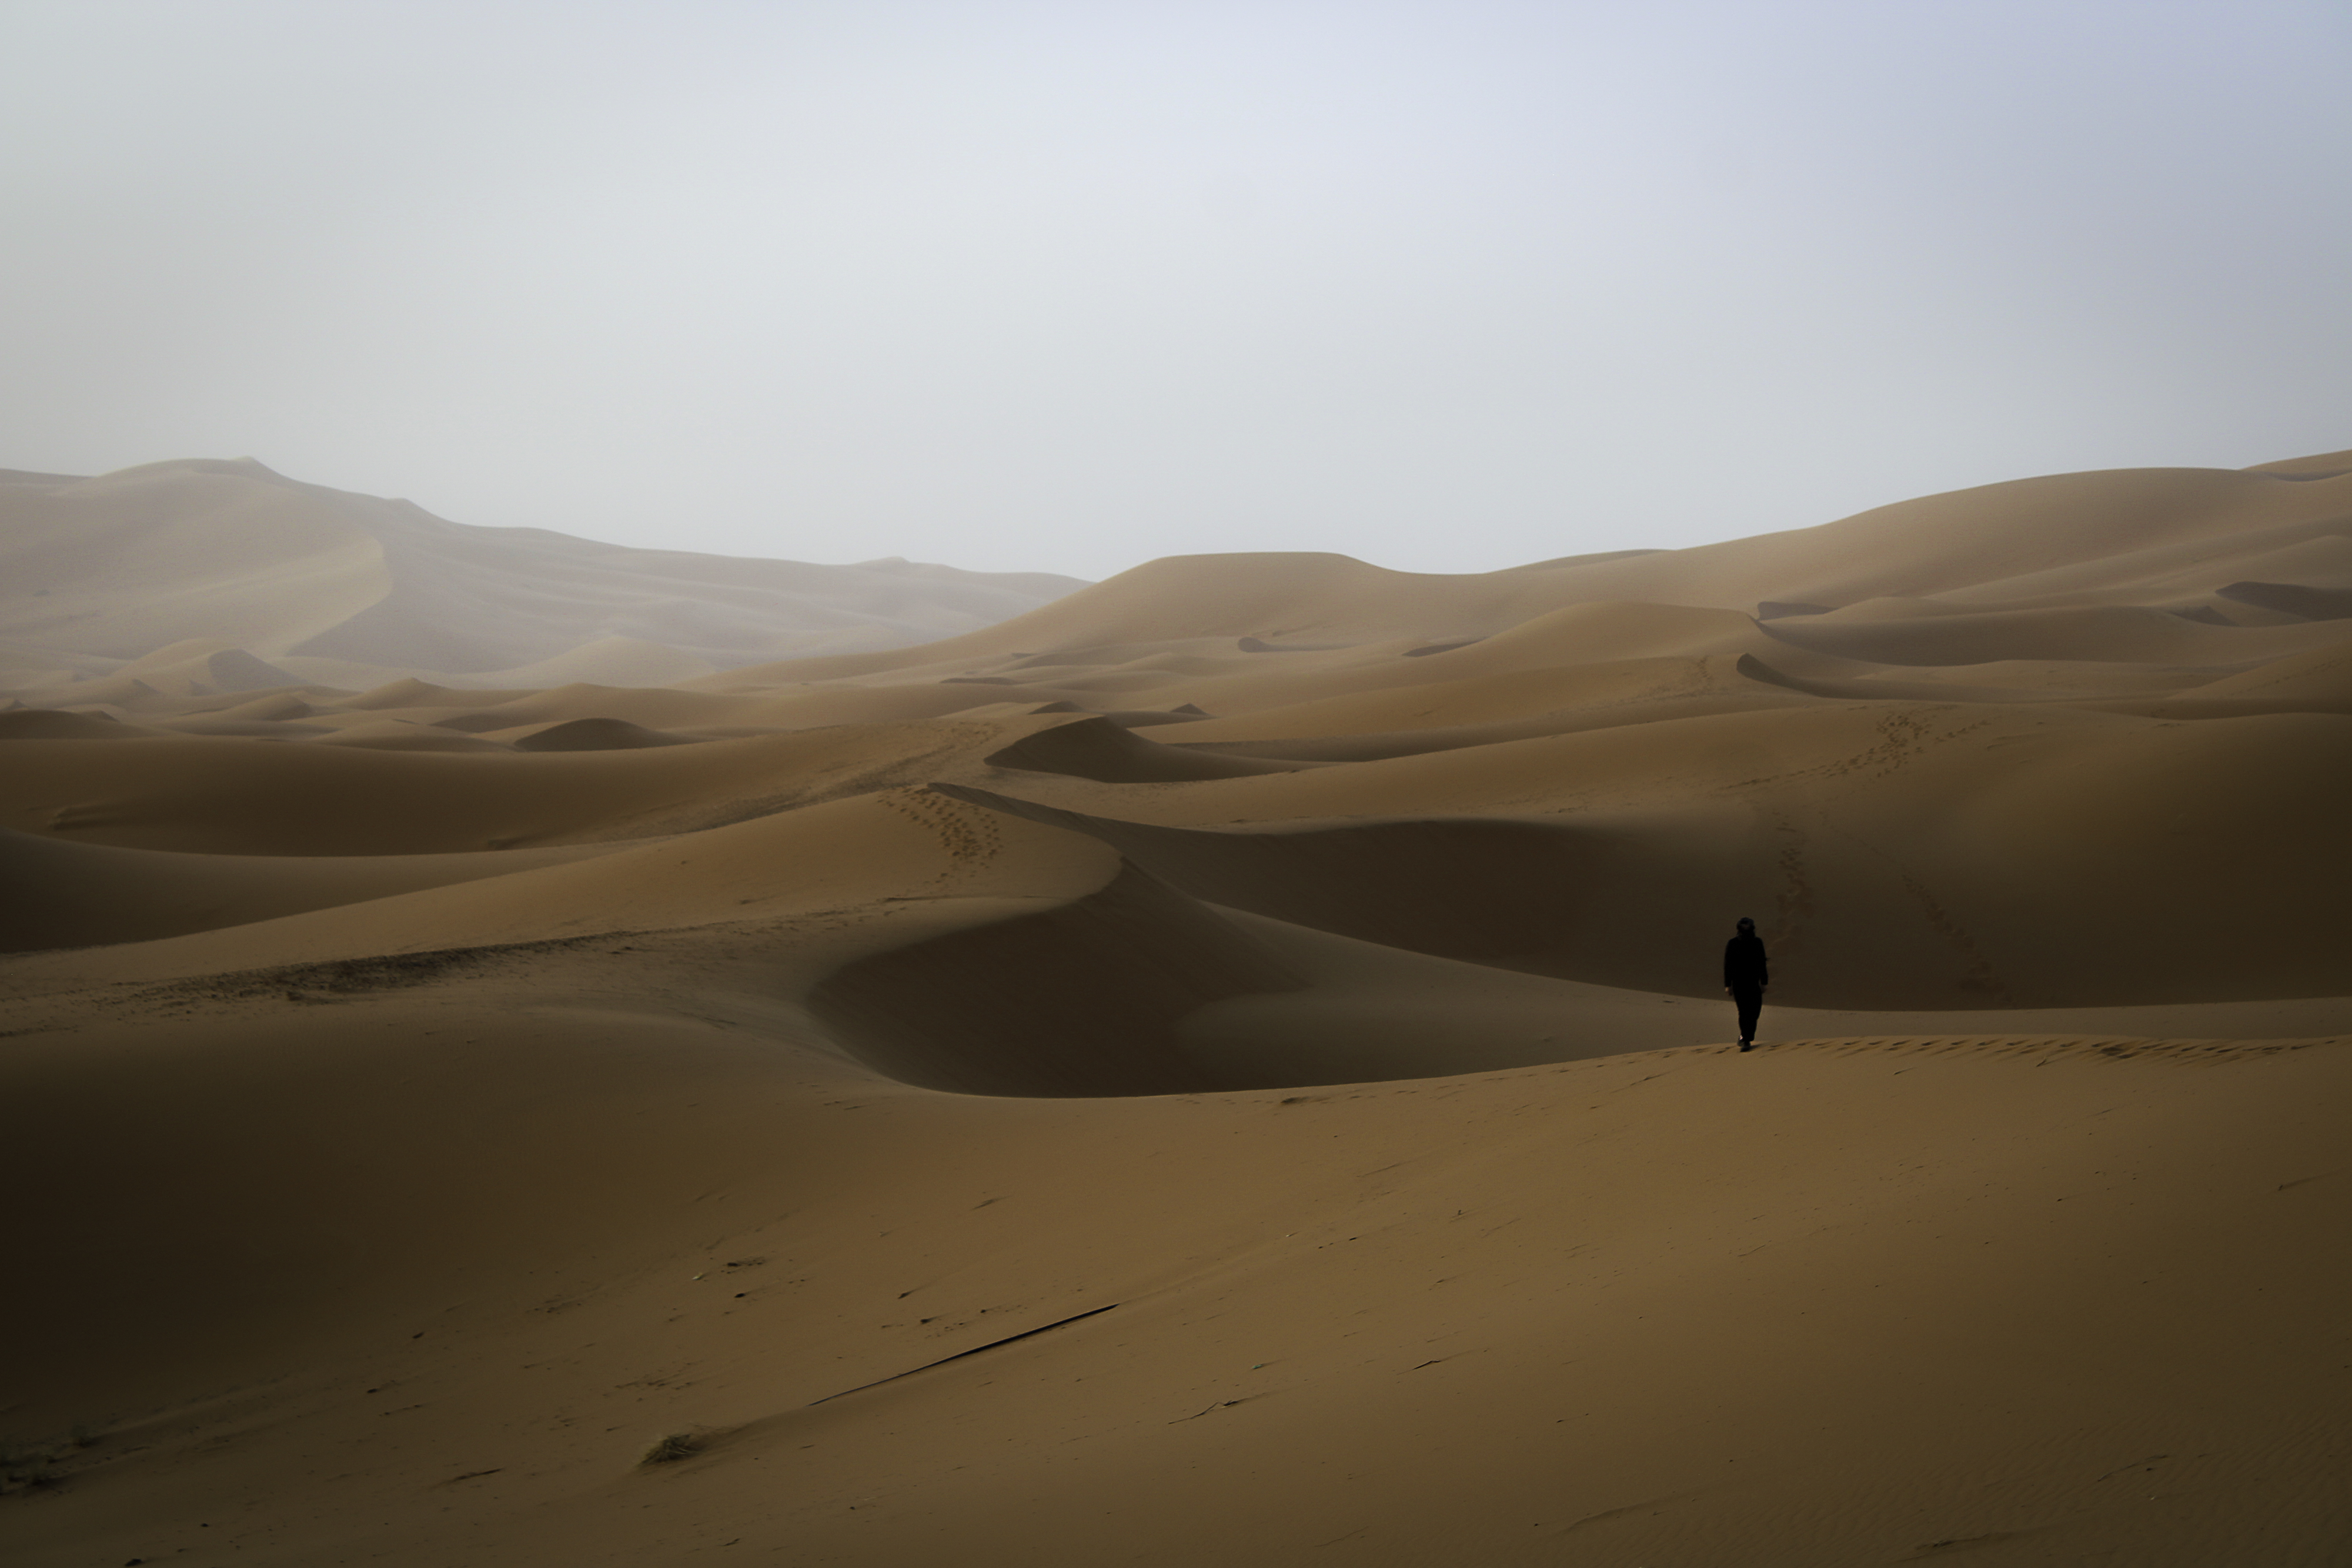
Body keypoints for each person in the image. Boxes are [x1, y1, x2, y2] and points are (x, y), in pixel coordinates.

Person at [1723, 917, 1769, 1051]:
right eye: (1743, 927)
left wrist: (1764, 982)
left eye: (1747, 926)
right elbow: (1728, 965)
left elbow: (1762, 962)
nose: (1745, 929)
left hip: (1754, 982)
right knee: (1744, 1012)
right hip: (1739, 983)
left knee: (1755, 1011)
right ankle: (1746, 1039)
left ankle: (1746, 1036)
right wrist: (1728, 985)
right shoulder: (1733, 943)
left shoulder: (1757, 942)